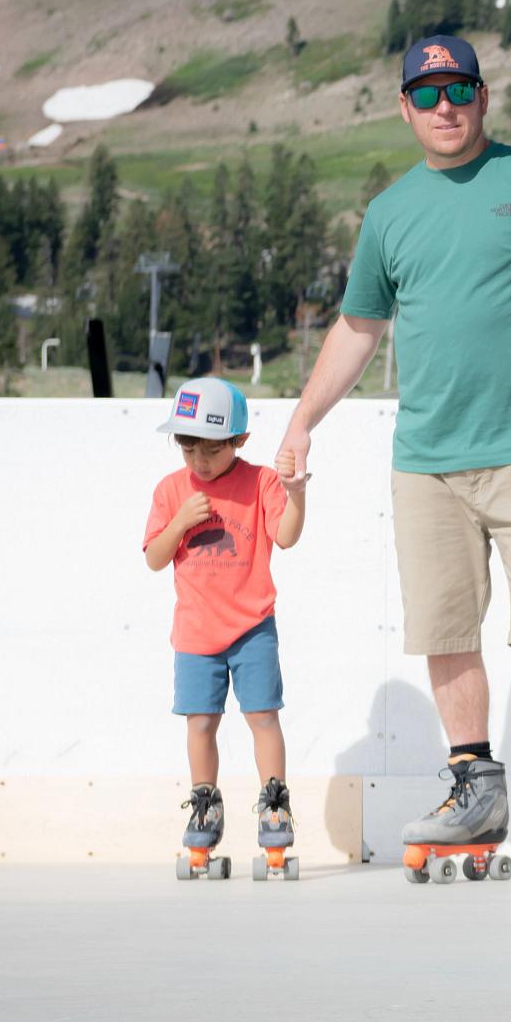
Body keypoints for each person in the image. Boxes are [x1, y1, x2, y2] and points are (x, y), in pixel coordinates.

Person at [278, 35, 511, 873]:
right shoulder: (390, 213)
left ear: (483, 97)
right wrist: (302, 421)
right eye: (426, 95)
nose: (444, 107)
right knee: (445, 627)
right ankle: (476, 784)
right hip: (425, 458)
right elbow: (358, 329)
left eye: (458, 89)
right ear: (404, 108)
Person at [141, 376, 307, 878]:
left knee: (262, 715)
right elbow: (153, 558)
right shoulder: (171, 490)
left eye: (211, 448)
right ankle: (204, 804)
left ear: (240, 441)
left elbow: (287, 536)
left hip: (252, 625)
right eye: (187, 446)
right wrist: (179, 524)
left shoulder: (260, 482)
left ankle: (274, 802)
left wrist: (296, 492)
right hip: (195, 633)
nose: (199, 460)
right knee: (200, 722)